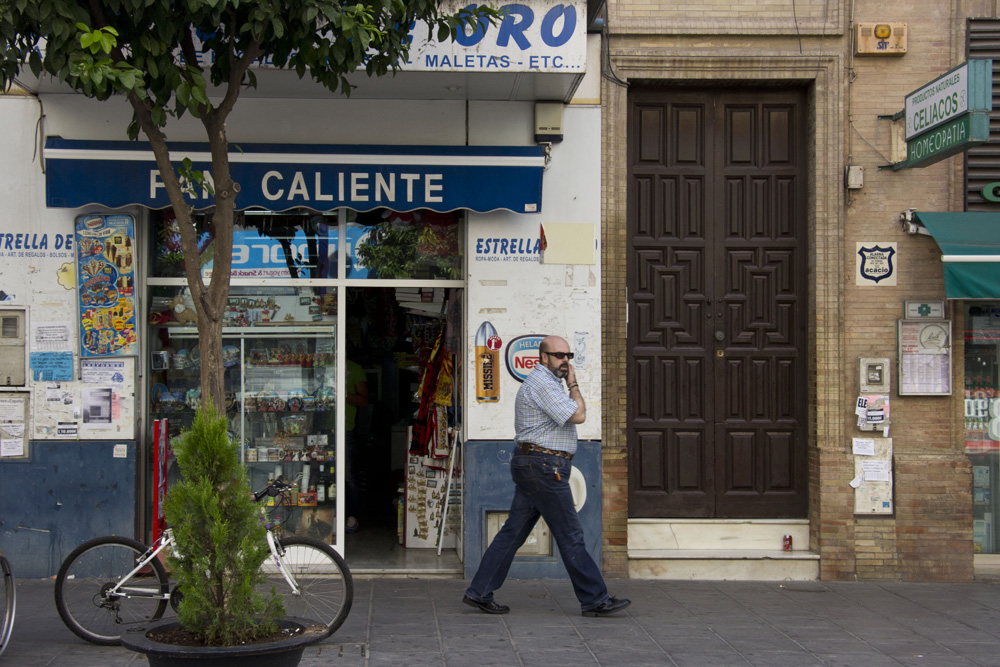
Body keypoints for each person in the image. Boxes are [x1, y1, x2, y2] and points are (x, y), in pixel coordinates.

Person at [463, 335, 631, 617]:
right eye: (559, 356)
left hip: (537, 465)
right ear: (543, 358)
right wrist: (574, 383)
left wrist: (567, 383)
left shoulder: (549, 384)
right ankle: (595, 599)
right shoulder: (542, 383)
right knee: (570, 534)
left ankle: (479, 591)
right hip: (543, 466)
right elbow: (577, 415)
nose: (565, 361)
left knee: (514, 531)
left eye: (569, 356)